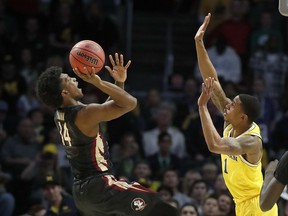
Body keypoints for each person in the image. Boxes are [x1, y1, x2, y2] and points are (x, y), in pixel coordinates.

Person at [36, 53, 178, 216]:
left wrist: (119, 82)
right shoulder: (83, 114)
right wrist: (98, 82)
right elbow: (130, 103)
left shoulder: (61, 114)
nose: (75, 79)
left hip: (83, 194)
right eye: (69, 80)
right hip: (99, 185)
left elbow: (108, 109)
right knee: (163, 209)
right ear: (65, 93)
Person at [194, 13, 278, 215]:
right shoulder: (232, 121)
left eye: (233, 105)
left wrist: (203, 108)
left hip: (258, 207)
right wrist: (199, 43)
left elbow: (215, 145)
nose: (228, 105)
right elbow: (212, 82)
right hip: (242, 204)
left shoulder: (251, 141)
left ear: (243, 117)